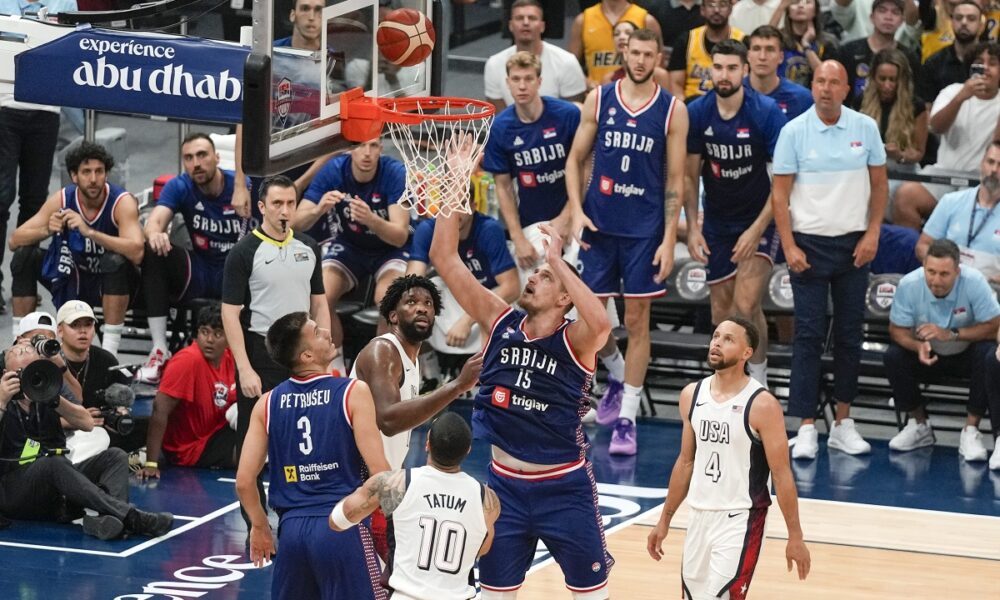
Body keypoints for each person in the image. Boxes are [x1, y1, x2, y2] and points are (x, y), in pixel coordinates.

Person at [429, 180, 614, 599]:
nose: (533, 278)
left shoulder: (576, 340)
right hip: (504, 487)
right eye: (535, 273)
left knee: (592, 596)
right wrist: (452, 184)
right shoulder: (499, 321)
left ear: (566, 297)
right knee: (495, 594)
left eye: (545, 278)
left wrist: (556, 259)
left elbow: (602, 324)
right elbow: (444, 256)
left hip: (564, 488)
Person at [566, 28, 689, 455]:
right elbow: (574, 160)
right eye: (634, 52)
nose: (640, 60)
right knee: (593, 323)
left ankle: (626, 417)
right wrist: (577, 210)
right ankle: (615, 371)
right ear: (625, 52)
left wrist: (671, 237)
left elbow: (676, 180)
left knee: (637, 323)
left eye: (648, 54)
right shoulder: (599, 98)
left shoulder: (673, 109)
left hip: (643, 232)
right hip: (599, 227)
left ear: (659, 57)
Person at [772, 60, 887, 460]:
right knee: (807, 335)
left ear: (845, 89)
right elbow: (780, 197)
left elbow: (880, 185)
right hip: (808, 245)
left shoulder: (866, 128)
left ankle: (843, 421)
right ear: (813, 86)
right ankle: (804, 425)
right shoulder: (793, 132)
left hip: (855, 245)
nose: (825, 88)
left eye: (833, 82)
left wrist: (873, 233)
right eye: (820, 81)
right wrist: (788, 246)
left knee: (850, 335)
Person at [646, 318, 810, 599]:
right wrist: (664, 520)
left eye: (728, 339)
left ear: (747, 353)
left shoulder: (762, 404)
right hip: (698, 516)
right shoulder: (691, 395)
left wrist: (795, 536)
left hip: (741, 519)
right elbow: (685, 462)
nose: (717, 343)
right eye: (716, 336)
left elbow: (782, 474)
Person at [235, 311, 389, 599]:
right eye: (317, 332)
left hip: (292, 533)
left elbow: (244, 481)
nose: (327, 332)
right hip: (343, 525)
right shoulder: (353, 392)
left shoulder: (266, 403)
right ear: (306, 355)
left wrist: (259, 526)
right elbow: (381, 474)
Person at [222, 174, 330, 532]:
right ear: (262, 207)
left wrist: (324, 346)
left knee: (305, 434)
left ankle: (300, 510)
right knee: (253, 441)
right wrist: (245, 369)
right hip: (260, 351)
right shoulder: (244, 252)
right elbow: (229, 313)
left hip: (303, 353)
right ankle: (255, 521)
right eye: (278, 204)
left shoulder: (309, 247)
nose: (285, 211)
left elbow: (319, 301)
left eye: (290, 203)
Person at [350, 274, 484, 555]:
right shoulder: (383, 350)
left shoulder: (411, 359)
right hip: (358, 483)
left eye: (428, 303)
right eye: (411, 302)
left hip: (382, 483)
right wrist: (458, 386)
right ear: (393, 316)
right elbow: (388, 420)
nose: (422, 307)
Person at [686, 40, 788, 386]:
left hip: (760, 217)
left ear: (745, 70)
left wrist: (756, 229)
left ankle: (757, 383)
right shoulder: (698, 111)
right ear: (710, 70)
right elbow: (688, 175)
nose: (724, 74)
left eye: (732, 67)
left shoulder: (766, 111)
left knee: (745, 306)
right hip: (716, 220)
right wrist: (694, 227)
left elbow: (783, 182)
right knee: (721, 314)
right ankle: (727, 383)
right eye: (718, 67)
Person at [0, 343, 173, 540]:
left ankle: (108, 521)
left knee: (115, 456)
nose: (29, 377)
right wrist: (1, 402)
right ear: (6, 374)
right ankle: (130, 516)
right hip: (14, 490)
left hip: (55, 481)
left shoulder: (49, 389)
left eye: (34, 370)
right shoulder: (1, 397)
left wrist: (52, 396)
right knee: (52, 464)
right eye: (21, 372)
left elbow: (87, 423)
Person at [330, 412, 500, 600]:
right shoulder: (487, 499)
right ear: (468, 450)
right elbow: (482, 548)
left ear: (427, 443)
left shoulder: (395, 484)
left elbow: (338, 521)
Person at [8, 141, 143, 356]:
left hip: (113, 284)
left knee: (114, 261)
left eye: (99, 171)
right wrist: (47, 229)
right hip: (75, 276)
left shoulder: (121, 202)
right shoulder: (63, 198)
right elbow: (14, 241)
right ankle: (19, 347)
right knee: (24, 256)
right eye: (86, 172)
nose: (93, 179)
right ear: (74, 176)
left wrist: (90, 233)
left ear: (106, 174)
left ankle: (109, 355)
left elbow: (137, 251)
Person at [137, 133, 253, 384]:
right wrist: (155, 233)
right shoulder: (180, 186)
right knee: (153, 251)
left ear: (217, 157)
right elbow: (154, 220)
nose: (196, 163)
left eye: (202, 155)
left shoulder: (242, 187)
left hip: (236, 275)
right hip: (200, 270)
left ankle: (244, 359)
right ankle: (159, 350)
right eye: (188, 158)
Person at [295, 138, 409, 375]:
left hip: (388, 249)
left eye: (374, 146)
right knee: (320, 296)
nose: (366, 153)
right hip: (350, 246)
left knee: (388, 300)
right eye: (360, 146)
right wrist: (317, 210)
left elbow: (400, 236)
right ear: (349, 149)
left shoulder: (395, 172)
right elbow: (296, 223)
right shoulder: (333, 170)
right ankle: (335, 370)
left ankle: (382, 372)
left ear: (381, 149)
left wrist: (372, 220)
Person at [883, 239, 999, 462]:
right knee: (893, 356)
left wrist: (952, 333)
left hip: (966, 353)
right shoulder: (909, 284)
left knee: (988, 354)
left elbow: (994, 325)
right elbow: (896, 329)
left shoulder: (974, 282)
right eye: (931, 272)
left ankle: (970, 430)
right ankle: (919, 424)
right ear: (924, 267)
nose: (936, 280)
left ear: (957, 271)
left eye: (944, 274)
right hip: (929, 355)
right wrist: (917, 345)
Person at [893, 42, 1000, 229]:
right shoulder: (952, 91)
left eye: (992, 63)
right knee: (904, 197)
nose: (986, 68)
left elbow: (997, 146)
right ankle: (916, 255)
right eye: (979, 62)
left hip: (981, 178)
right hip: (944, 172)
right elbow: (935, 127)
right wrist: (961, 97)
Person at [139, 303, 237, 479]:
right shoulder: (187, 361)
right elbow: (159, 409)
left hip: (217, 431)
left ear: (229, 338)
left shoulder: (231, 358)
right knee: (255, 454)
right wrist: (151, 463)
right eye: (204, 332)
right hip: (191, 448)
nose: (209, 340)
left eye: (218, 334)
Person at [406, 206, 521, 355]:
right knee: (420, 296)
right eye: (448, 206)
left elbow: (511, 288)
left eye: (460, 206)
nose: (454, 212)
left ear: (472, 206)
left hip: (489, 298)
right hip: (458, 299)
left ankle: (492, 367)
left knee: (506, 305)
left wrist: (467, 321)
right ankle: (422, 370)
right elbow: (411, 282)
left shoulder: (488, 229)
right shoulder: (428, 229)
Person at [56, 300, 142, 452]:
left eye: (88, 325)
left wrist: (119, 413)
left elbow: (118, 407)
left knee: (140, 429)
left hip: (97, 433)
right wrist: (76, 421)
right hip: (57, 432)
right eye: (75, 325)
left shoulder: (106, 360)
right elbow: (33, 418)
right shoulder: (48, 362)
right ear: (60, 331)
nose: (83, 331)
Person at [916, 141, 1000, 278]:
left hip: (992, 291)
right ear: (982, 164)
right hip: (948, 285)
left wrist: (983, 283)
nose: (994, 170)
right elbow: (923, 245)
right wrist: (941, 270)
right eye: (990, 162)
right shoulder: (951, 201)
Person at [483, 0, 587, 110]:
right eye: (519, 18)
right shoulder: (493, 65)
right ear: (510, 26)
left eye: (532, 18)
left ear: (542, 26)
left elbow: (573, 115)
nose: (526, 23)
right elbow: (500, 117)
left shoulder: (567, 62)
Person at [836, 0, 921, 109]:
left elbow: (916, 99)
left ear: (902, 21)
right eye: (882, 11)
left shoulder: (909, 58)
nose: (888, 17)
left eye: (895, 12)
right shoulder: (849, 51)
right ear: (872, 17)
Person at [858, 48, 927, 173]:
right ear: (874, 78)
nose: (887, 86)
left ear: (902, 80)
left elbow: (919, 152)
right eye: (882, 79)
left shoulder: (916, 106)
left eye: (893, 80)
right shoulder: (860, 102)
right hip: (867, 168)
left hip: (903, 169)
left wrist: (899, 155)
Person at [667, 0, 746, 101]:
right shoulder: (686, 40)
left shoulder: (743, 41)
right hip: (691, 105)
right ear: (702, 9)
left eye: (722, 5)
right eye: (711, 5)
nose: (716, 10)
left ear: (731, 9)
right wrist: (683, 109)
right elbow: (676, 84)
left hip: (730, 104)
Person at [570, 0, 662, 86]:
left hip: (639, 93)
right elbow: (570, 65)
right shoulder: (583, 20)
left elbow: (658, 64)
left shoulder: (646, 20)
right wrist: (588, 84)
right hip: (598, 94)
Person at [917, 0, 982, 105]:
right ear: (951, 23)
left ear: (981, 26)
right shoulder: (934, 63)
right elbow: (927, 107)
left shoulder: (993, 62)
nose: (964, 22)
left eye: (971, 18)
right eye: (958, 18)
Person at [745, 25, 815, 120]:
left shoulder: (802, 98)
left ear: (781, 57)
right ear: (748, 56)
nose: (762, 57)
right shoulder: (732, 94)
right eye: (756, 49)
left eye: (770, 49)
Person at [772, 0, 839, 88]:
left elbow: (828, 78)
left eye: (807, 2)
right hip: (783, 98)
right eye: (795, 2)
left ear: (816, 10)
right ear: (788, 11)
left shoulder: (828, 41)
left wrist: (806, 46)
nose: (801, 6)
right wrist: (780, 7)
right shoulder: (779, 39)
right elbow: (765, 38)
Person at [600, 20, 673, 88]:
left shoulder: (659, 75)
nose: (621, 37)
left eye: (628, 33)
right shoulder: (609, 78)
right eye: (616, 34)